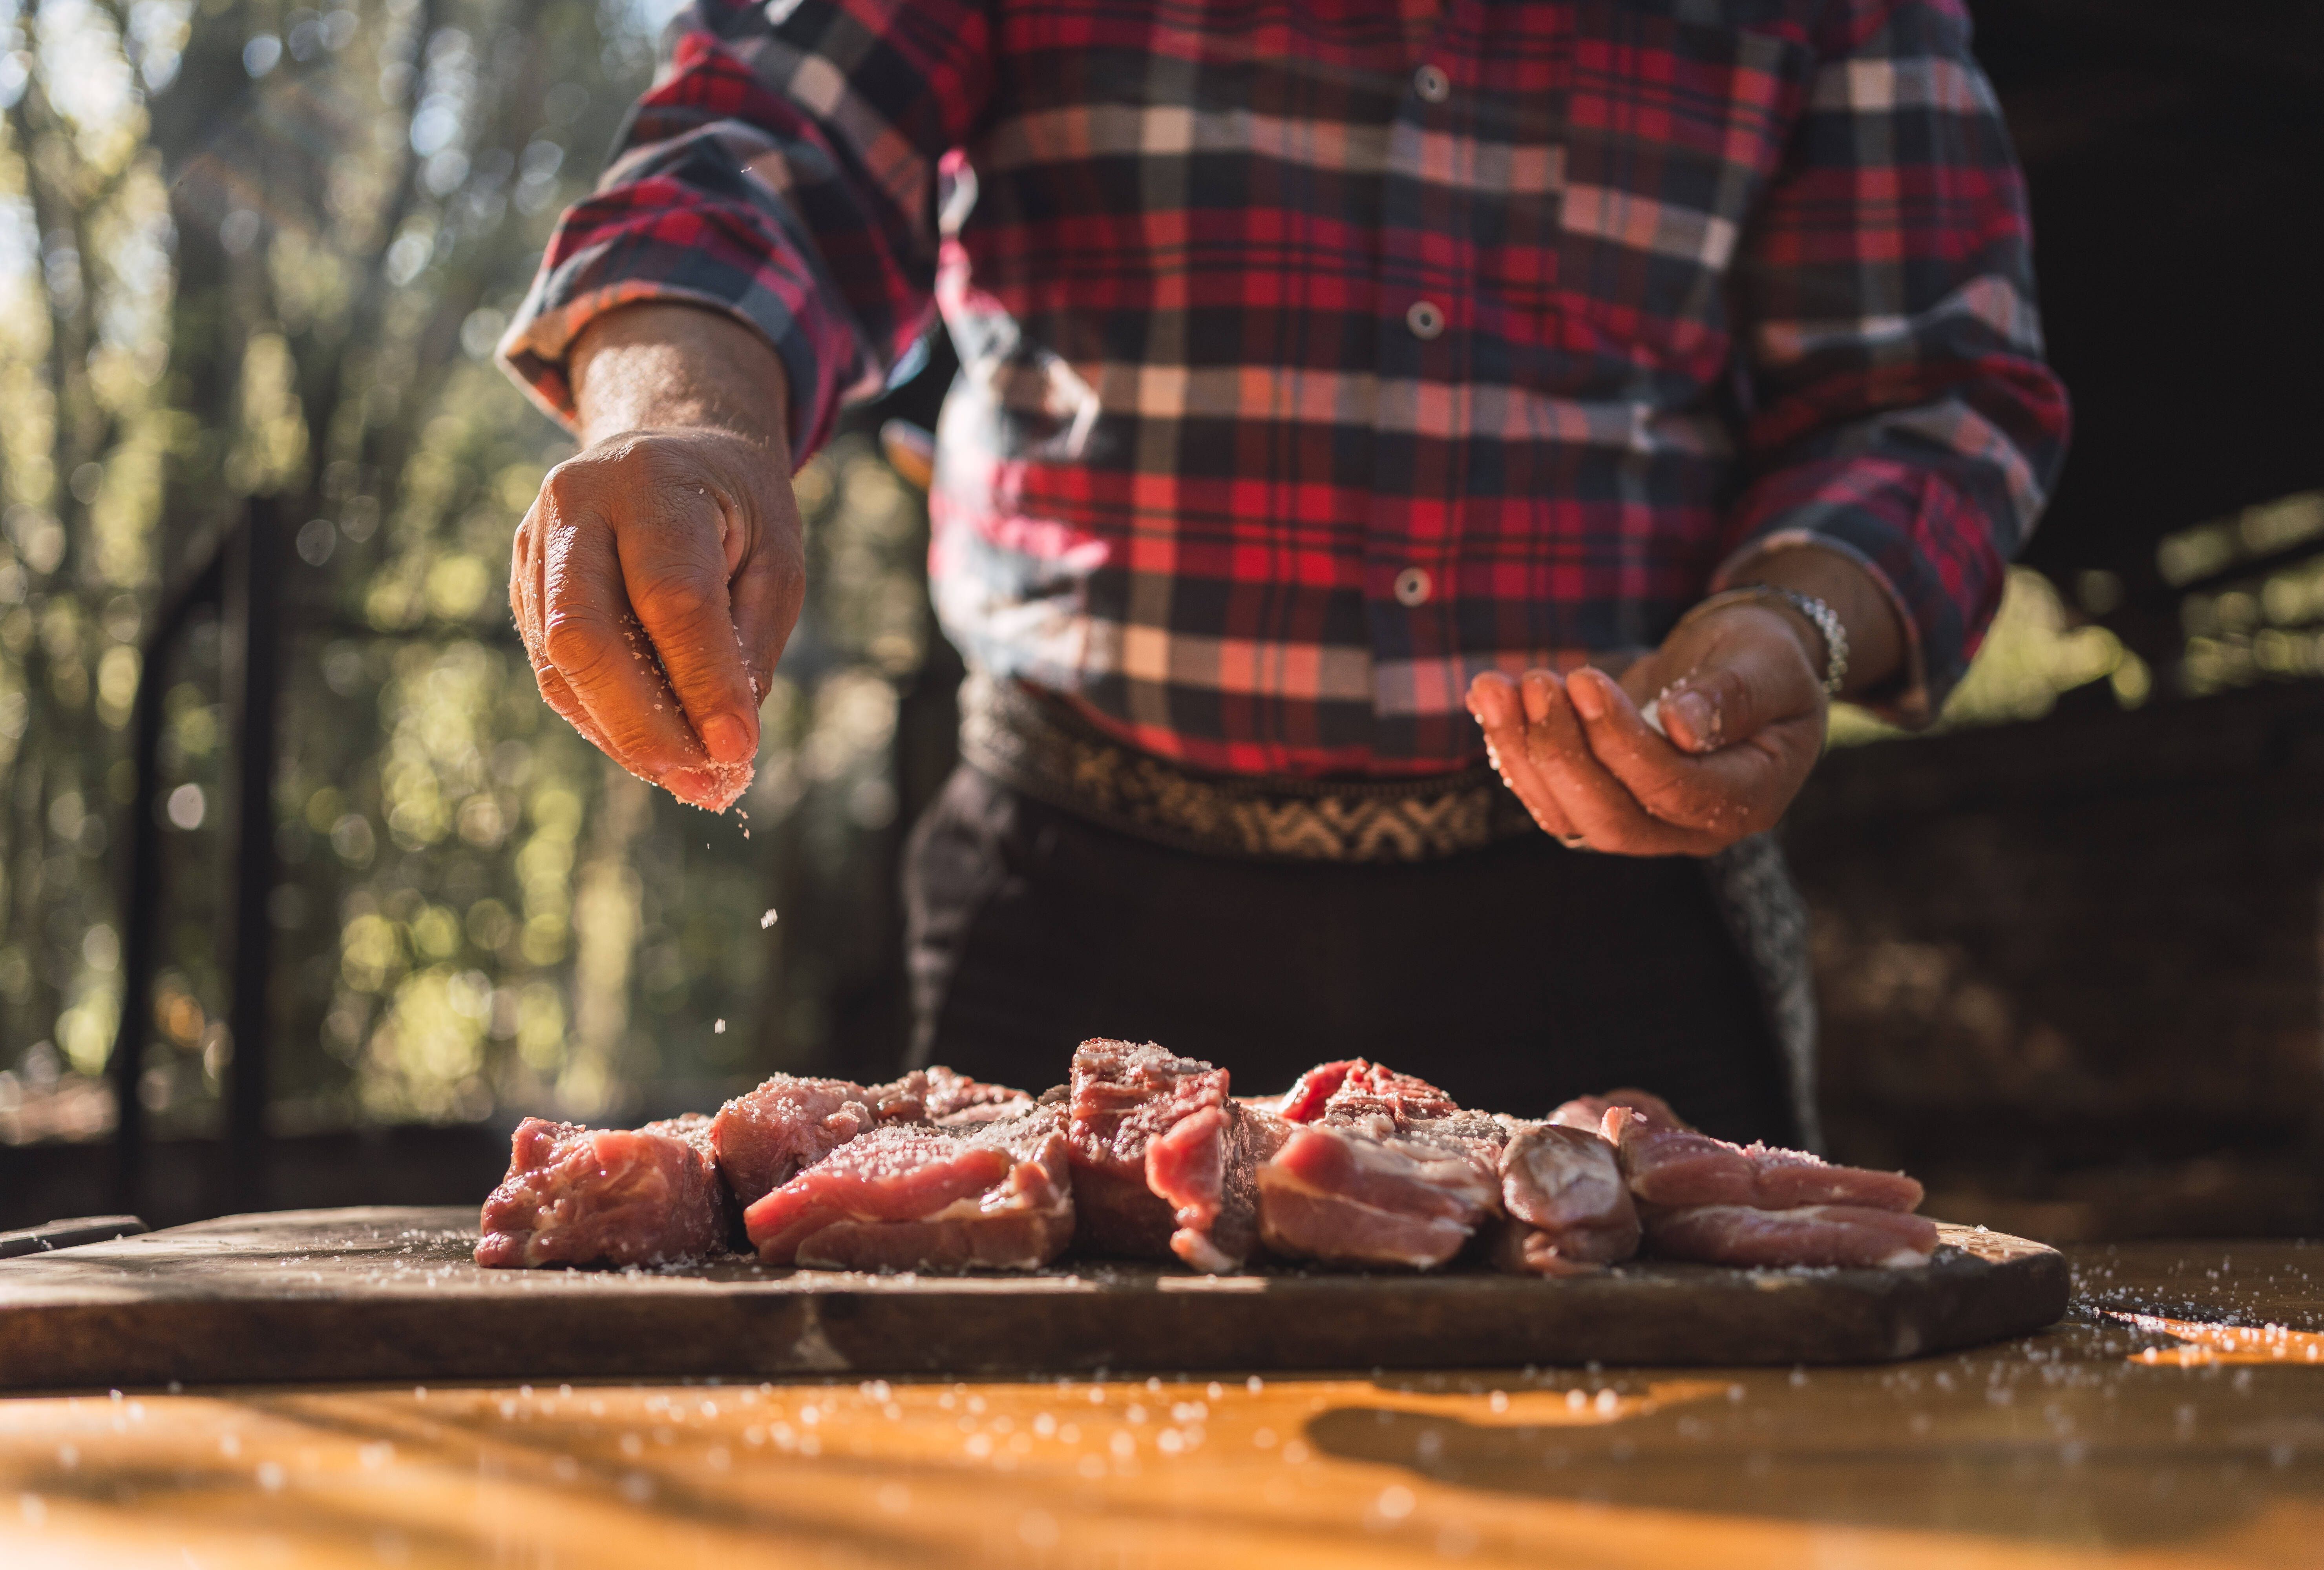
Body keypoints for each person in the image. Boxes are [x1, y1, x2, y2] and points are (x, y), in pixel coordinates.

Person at [501, 0, 2068, 1144]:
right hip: (1075, 895)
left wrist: (1792, 618)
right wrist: (687, 423)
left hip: (1617, 923)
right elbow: (764, 137)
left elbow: (1926, 393)